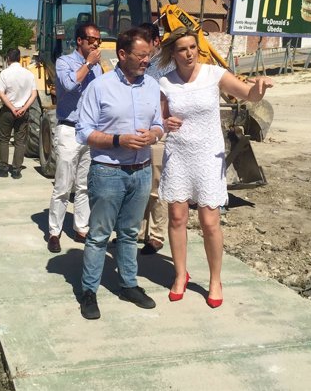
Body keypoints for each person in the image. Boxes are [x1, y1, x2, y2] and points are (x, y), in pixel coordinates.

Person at [157, 27, 273, 307]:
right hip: (179, 155)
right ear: (173, 53)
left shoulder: (214, 74)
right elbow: (159, 121)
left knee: (210, 222)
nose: (189, 53)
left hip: (208, 156)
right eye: (183, 49)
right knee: (176, 218)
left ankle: (214, 280)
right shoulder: (165, 82)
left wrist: (258, 88)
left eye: (193, 47)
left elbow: (248, 94)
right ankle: (180, 275)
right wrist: (164, 124)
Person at [75, 27, 164, 320]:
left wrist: (153, 134)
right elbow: (83, 131)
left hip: (140, 172)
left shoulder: (152, 86)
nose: (146, 61)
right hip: (108, 172)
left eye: (149, 56)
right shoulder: (99, 87)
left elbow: (160, 124)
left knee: (128, 234)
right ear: (122, 55)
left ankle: (128, 284)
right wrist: (118, 140)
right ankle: (89, 291)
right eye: (141, 56)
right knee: (99, 235)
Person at [47, 23, 103, 253]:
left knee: (83, 185)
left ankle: (81, 227)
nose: (96, 44)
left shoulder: (99, 67)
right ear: (79, 41)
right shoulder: (64, 62)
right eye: (92, 40)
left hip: (89, 132)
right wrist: (89, 64)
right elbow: (69, 84)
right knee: (63, 184)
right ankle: (54, 231)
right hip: (69, 129)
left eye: (98, 40)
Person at [138, 22, 173, 255]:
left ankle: (157, 235)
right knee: (140, 186)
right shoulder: (139, 64)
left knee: (157, 187)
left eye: (144, 43)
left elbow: (167, 100)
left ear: (155, 42)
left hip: (159, 134)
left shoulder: (166, 66)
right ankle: (138, 231)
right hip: (139, 134)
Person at [0, 48, 37, 179]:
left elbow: (0, 93)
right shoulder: (28, 74)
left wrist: (12, 108)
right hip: (23, 112)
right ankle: (16, 169)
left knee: (4, 139)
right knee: (20, 141)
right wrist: (24, 108)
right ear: (19, 58)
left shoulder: (5, 73)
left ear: (8, 58)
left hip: (8, 111)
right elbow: (34, 93)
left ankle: (3, 168)